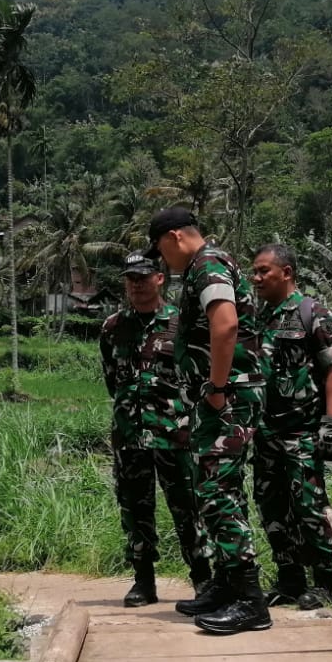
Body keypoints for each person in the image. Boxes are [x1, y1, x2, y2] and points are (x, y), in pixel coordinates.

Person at [149, 207, 270, 634]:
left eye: (161, 249)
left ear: (176, 236)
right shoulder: (205, 266)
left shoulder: (209, 264)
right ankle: (227, 584)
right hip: (219, 398)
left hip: (228, 396)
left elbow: (225, 326)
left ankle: (250, 601)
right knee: (215, 489)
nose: (162, 260)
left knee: (219, 492)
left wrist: (217, 388)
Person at [100, 251, 213, 607]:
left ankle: (202, 581)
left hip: (174, 435)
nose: (136, 284)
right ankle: (143, 582)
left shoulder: (181, 324)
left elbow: (199, 378)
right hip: (129, 435)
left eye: (143, 277)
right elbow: (111, 380)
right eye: (130, 278)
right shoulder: (114, 327)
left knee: (186, 508)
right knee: (135, 509)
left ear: (159, 279)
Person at [248, 243, 332, 609]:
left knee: (308, 505)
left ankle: (326, 582)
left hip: (303, 432)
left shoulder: (315, 314)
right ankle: (290, 578)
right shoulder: (259, 318)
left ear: (286, 273)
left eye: (263, 272)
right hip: (266, 432)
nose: (256, 278)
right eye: (254, 272)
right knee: (270, 505)